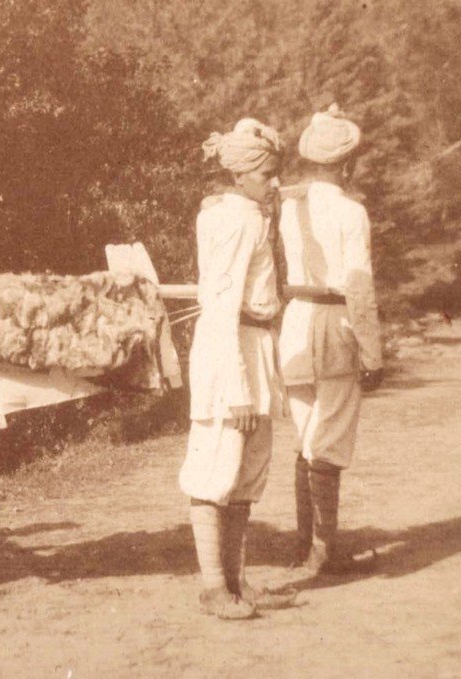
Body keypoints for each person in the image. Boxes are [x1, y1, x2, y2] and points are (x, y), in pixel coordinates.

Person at [179, 118, 296, 619]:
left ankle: (238, 580)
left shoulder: (249, 212)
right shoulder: (232, 219)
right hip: (228, 352)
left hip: (255, 345)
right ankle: (212, 587)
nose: (275, 182)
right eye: (268, 173)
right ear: (242, 175)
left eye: (276, 172)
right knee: (216, 469)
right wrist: (237, 389)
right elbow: (222, 305)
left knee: (247, 474)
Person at [278, 104, 383, 575]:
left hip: (297, 321)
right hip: (336, 322)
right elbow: (358, 287)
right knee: (331, 438)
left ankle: (306, 546)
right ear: (346, 163)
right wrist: (372, 352)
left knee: (305, 437)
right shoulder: (351, 211)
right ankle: (322, 550)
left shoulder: (288, 206)